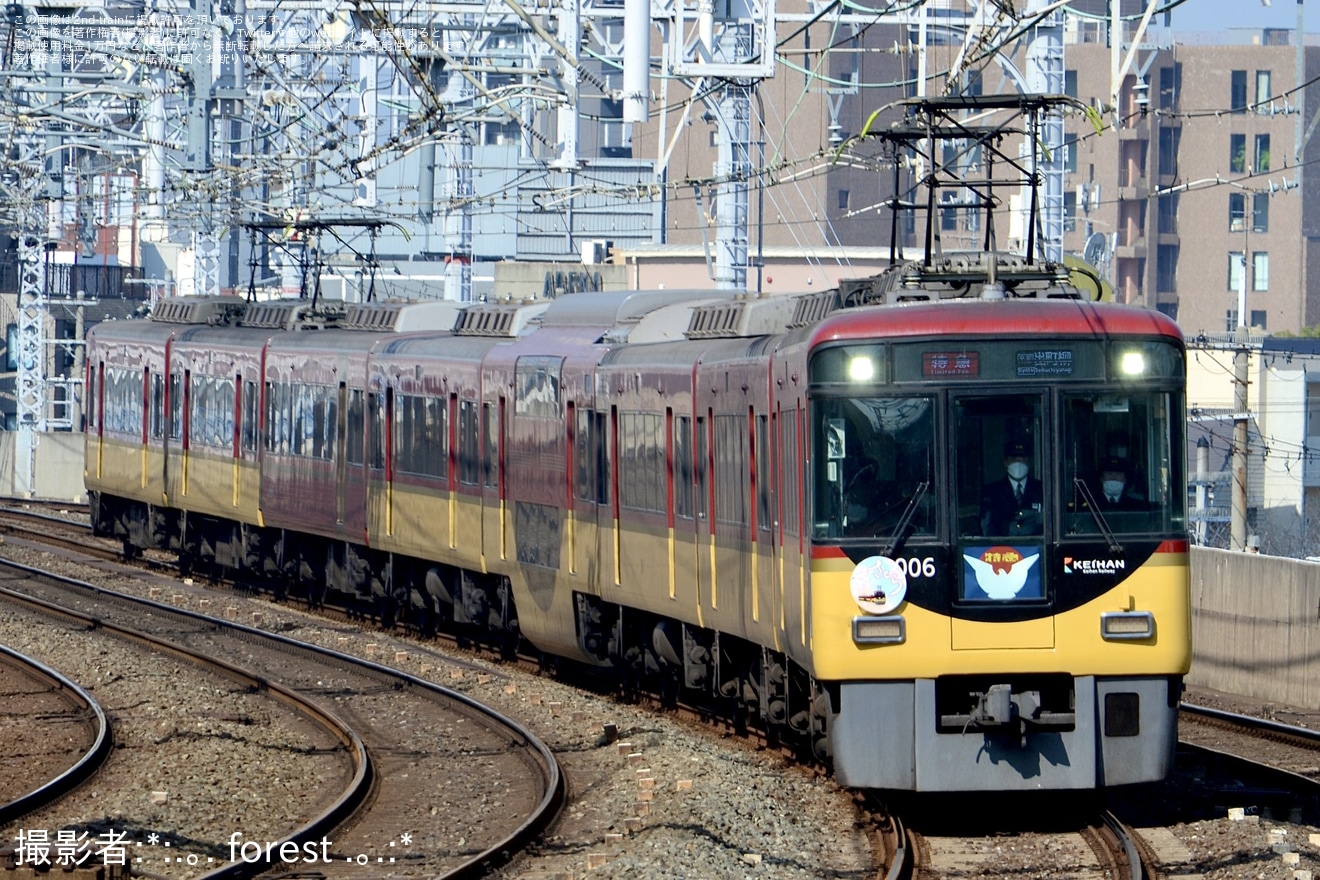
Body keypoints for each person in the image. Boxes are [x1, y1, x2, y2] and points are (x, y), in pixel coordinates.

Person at [980, 439, 1043, 535]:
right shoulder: (992, 492)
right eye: (1014, 458)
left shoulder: (1041, 489)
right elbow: (988, 527)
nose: (1018, 462)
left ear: (1029, 462)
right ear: (1005, 463)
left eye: (1023, 458)